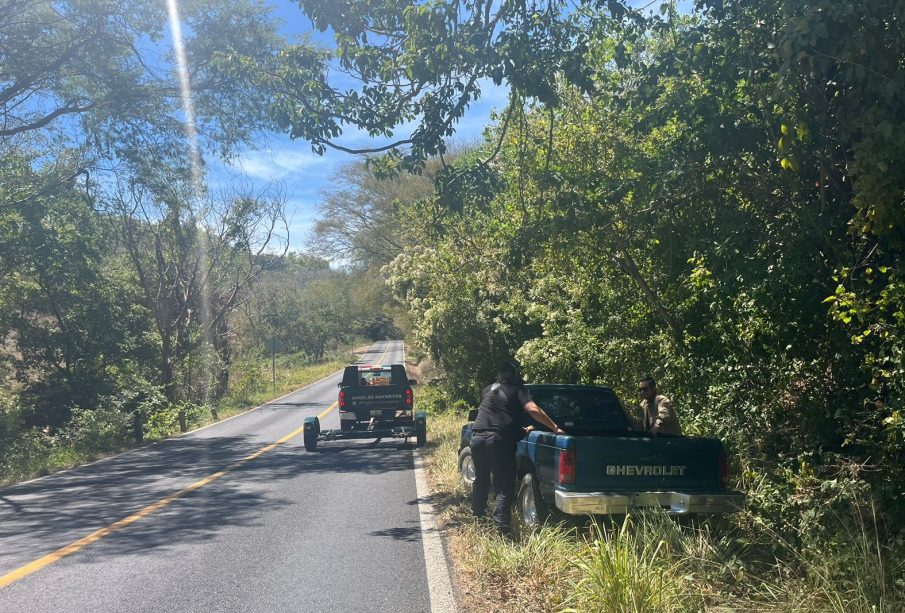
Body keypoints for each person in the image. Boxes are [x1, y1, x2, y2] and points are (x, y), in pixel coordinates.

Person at [470, 361, 564, 533]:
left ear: (499, 375)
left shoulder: (487, 390)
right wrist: (555, 428)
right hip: (498, 439)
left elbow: (499, 414)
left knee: (481, 478)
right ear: (514, 375)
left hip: (476, 437)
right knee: (504, 484)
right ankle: (502, 529)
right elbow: (533, 410)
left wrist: (522, 430)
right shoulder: (517, 388)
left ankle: (478, 517)